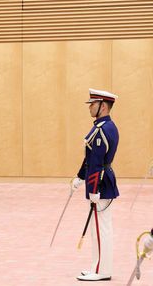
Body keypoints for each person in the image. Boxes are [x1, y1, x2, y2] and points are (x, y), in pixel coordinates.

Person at [71, 88, 119, 281]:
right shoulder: (103, 127)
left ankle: (102, 270)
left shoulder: (102, 130)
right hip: (100, 182)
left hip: (100, 184)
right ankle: (97, 266)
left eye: (93, 104)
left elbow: (97, 163)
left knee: (101, 229)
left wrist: (93, 189)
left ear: (103, 106)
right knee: (98, 228)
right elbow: (90, 158)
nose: (90, 107)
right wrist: (80, 177)